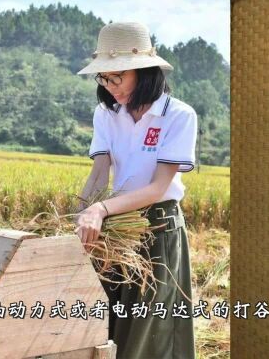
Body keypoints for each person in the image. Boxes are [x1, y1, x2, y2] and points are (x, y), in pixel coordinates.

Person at [75, 22, 197, 359]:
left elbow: (159, 187)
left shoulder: (178, 115)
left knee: (148, 333)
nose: (111, 87)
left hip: (158, 229)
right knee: (108, 321)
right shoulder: (106, 114)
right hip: (114, 231)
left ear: (143, 72)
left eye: (118, 78)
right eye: (104, 78)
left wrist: (101, 210)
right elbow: (100, 173)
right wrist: (82, 214)